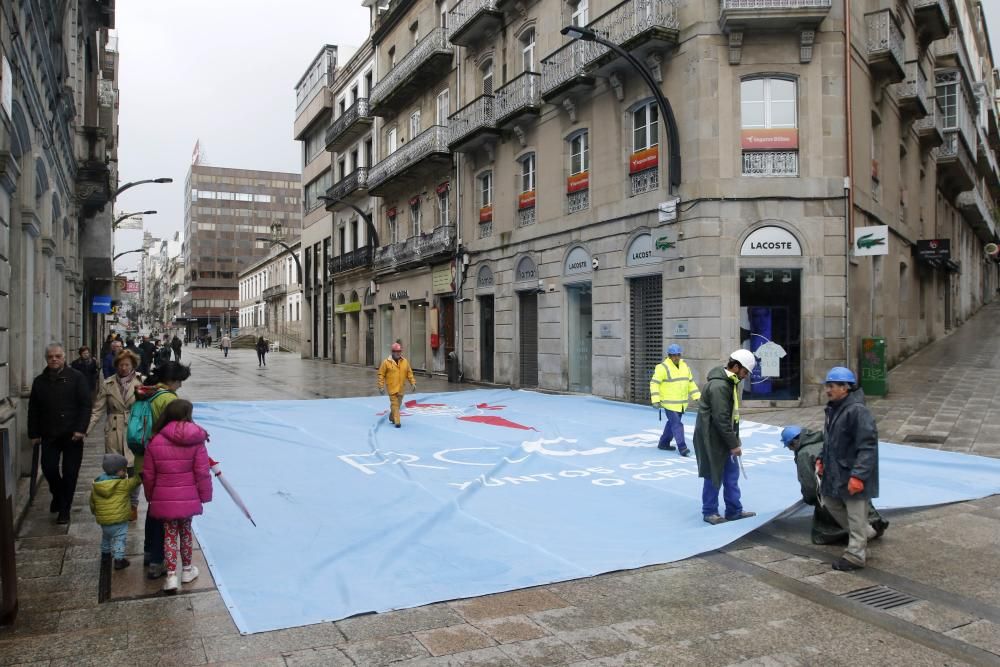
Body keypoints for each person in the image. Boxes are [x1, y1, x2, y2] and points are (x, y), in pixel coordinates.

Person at [142, 399, 212, 594]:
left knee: (169, 535)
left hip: (164, 495)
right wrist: (205, 495)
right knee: (186, 532)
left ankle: (171, 575)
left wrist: (150, 495)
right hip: (188, 494)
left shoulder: (155, 440)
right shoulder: (196, 440)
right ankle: (187, 570)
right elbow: (202, 471)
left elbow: (148, 474)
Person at [817, 367, 880, 571]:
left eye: (832, 386)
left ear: (845, 388)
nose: (828, 390)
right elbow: (830, 440)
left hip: (851, 473)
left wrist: (858, 476)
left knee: (855, 514)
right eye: (828, 385)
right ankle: (865, 534)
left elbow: (867, 446)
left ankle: (855, 555)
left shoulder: (857, 411)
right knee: (830, 502)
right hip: (837, 472)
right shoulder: (835, 408)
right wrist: (821, 458)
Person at [781, 425, 888, 545]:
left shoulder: (804, 454)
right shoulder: (826, 440)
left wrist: (810, 499)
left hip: (835, 492)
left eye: (790, 447)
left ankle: (857, 536)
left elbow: (810, 486)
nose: (791, 450)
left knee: (829, 516)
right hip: (854, 484)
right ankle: (873, 522)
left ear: (793, 443)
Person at [27, 343, 92, 524]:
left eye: (57, 356)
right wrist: (33, 433)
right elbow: (34, 409)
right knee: (49, 468)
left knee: (70, 472)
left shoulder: (77, 378)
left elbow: (85, 405)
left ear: (64, 358)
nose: (54, 359)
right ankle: (57, 494)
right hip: (49, 434)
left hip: (72, 434)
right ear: (46, 359)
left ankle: (65, 509)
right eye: (50, 357)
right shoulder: (39, 381)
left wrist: (81, 429)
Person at [137, 361, 191, 580]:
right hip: (164, 462)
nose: (180, 386)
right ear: (172, 380)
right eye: (179, 381)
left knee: (153, 509)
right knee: (164, 514)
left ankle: (149, 552)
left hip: (145, 457)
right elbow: (179, 432)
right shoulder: (168, 399)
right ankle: (158, 561)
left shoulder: (148, 393)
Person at [693, 349, 757, 525]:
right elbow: (721, 419)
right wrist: (734, 444)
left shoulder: (729, 382)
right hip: (712, 438)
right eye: (745, 372)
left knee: (731, 475)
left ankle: (734, 510)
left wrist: (734, 440)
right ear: (736, 367)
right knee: (714, 475)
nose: (745, 376)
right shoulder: (720, 386)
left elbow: (729, 417)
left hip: (721, 437)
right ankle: (710, 512)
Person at [88, 349, 144, 522]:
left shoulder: (141, 381)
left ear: (133, 365)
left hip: (134, 429)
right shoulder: (108, 383)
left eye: (127, 364)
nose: (124, 368)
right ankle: (120, 502)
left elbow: (147, 408)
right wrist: (86, 429)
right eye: (120, 365)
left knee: (134, 470)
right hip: (113, 428)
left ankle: (133, 505)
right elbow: (98, 409)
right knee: (116, 469)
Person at [90, 453, 143, 570]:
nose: (125, 472)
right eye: (124, 470)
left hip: (104, 520)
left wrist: (95, 512)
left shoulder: (98, 484)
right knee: (120, 539)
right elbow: (137, 481)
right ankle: (119, 560)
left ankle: (105, 555)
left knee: (106, 537)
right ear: (118, 471)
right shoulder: (123, 484)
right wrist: (140, 463)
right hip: (119, 520)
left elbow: (92, 502)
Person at [649, 344, 701, 457]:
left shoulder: (685, 367)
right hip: (669, 403)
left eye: (678, 355)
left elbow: (690, 383)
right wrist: (655, 400)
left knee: (671, 424)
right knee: (677, 424)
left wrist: (697, 396)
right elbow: (654, 383)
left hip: (681, 404)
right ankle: (682, 447)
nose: (676, 357)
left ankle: (663, 443)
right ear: (669, 356)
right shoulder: (662, 367)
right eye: (673, 355)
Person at [377, 342, 416, 428]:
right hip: (392, 388)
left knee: (397, 405)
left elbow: (409, 373)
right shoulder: (386, 363)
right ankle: (397, 421)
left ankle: (392, 416)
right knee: (395, 404)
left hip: (401, 388)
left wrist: (413, 383)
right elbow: (381, 374)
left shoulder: (405, 362)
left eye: (399, 351)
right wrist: (381, 386)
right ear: (392, 352)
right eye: (396, 351)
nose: (398, 353)